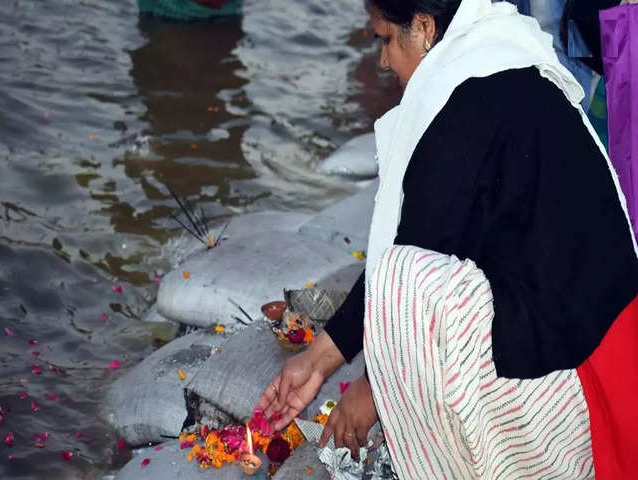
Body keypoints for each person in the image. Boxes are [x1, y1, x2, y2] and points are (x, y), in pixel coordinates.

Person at [259, 0, 638, 478]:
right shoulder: (498, 62)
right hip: (602, 360)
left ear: (423, 27)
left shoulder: (464, 108)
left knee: (406, 282)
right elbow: (427, 234)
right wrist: (315, 363)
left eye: (386, 40)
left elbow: (403, 269)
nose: (383, 61)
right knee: (402, 277)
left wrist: (375, 392)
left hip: (578, 400)